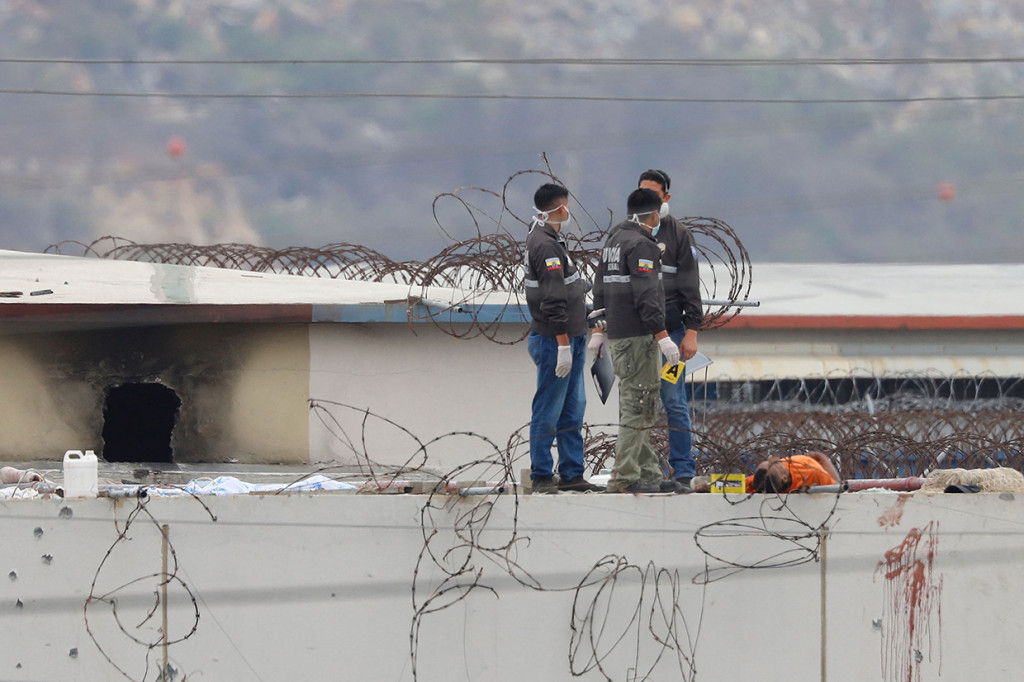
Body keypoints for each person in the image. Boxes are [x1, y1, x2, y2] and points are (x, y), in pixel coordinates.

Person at [590, 188, 681, 494]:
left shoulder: (615, 241)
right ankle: (625, 477)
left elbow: (599, 285)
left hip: (619, 335)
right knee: (641, 406)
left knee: (637, 405)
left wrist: (598, 327)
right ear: (654, 214)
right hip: (639, 338)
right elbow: (646, 296)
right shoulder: (641, 245)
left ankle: (650, 474)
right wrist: (663, 336)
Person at [524, 183, 596, 493]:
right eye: (567, 206)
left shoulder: (555, 241)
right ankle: (542, 474)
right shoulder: (546, 246)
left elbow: (565, 289)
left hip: (574, 337)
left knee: (572, 409)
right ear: (560, 209)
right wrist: (563, 344)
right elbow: (552, 301)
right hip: (557, 341)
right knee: (549, 408)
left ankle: (572, 473)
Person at [637, 169, 704, 494]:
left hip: (673, 337)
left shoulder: (678, 236)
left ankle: (683, 470)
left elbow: (691, 287)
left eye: (653, 194)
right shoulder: (629, 233)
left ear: (666, 197)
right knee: (638, 402)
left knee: (673, 400)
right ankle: (641, 468)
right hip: (638, 337)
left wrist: (691, 332)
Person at [746, 452, 841, 493]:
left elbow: (744, 485)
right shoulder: (812, 471)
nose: (770, 457)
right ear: (784, 478)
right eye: (774, 463)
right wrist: (822, 457)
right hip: (814, 461)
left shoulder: (761, 481)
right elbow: (838, 486)